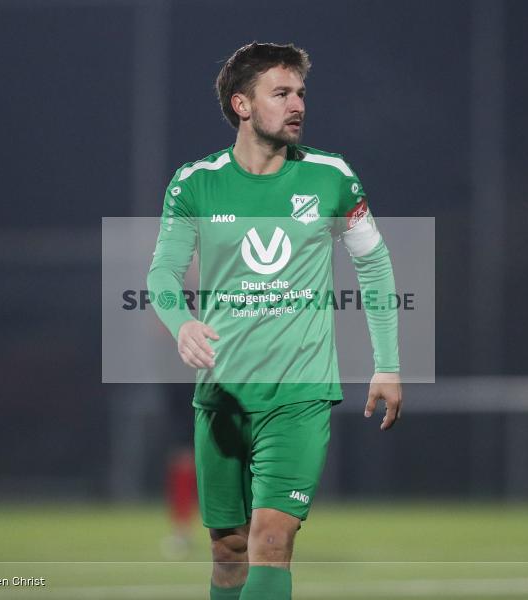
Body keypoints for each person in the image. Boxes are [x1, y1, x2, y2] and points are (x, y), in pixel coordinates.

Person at [147, 41, 402, 600]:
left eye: (301, 93)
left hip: (299, 394)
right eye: (281, 93)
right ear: (242, 105)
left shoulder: (331, 177)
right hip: (221, 394)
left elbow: (375, 264)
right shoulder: (195, 183)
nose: (297, 105)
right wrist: (182, 324)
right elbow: (162, 275)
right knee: (229, 550)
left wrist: (388, 364)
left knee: (269, 539)